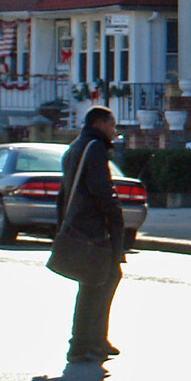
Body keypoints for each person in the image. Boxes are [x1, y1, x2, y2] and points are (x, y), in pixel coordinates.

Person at [58, 105, 126, 365]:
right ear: (100, 124)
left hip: (80, 226)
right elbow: (100, 189)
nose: (114, 130)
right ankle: (82, 344)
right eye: (112, 125)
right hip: (94, 230)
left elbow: (64, 193)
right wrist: (115, 216)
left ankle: (96, 340)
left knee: (98, 282)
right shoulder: (94, 149)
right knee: (97, 284)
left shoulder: (76, 147)